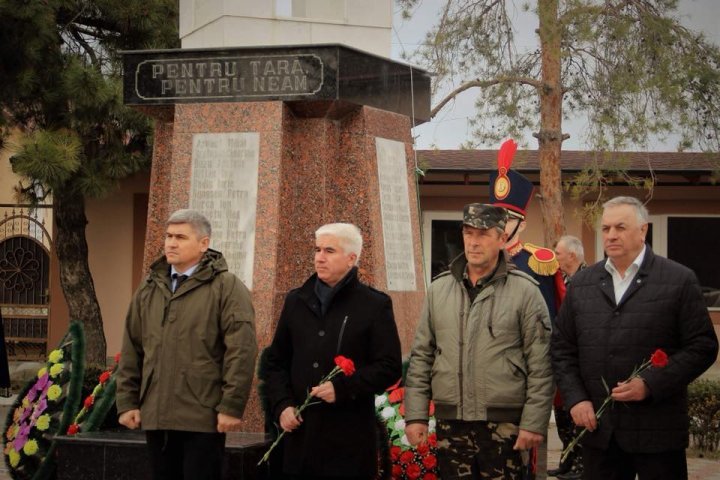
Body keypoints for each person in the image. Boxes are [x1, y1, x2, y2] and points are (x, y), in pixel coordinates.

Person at [551, 196, 719, 480]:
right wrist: (577, 399)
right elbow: (562, 348)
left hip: (658, 434)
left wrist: (651, 383)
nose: (611, 235)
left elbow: (702, 346)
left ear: (643, 230)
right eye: (605, 229)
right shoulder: (582, 284)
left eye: (620, 227)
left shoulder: (678, 279)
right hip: (599, 433)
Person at [404, 203, 554, 479]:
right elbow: (422, 357)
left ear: (501, 238)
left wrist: (533, 423)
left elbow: (541, 365)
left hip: (504, 424)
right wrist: (416, 416)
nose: (473, 242)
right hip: (453, 422)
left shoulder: (525, 292)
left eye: (483, 234)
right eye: (468, 232)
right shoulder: (439, 289)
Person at [115, 209, 257, 480]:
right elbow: (133, 347)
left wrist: (231, 405)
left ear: (204, 244)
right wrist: (127, 402)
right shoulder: (149, 286)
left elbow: (241, 350)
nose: (171, 243)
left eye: (180, 237)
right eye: (168, 236)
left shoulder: (226, 287)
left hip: (202, 415)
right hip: (156, 414)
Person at [263, 223, 402, 479]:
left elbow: (389, 366)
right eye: (317, 250)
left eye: (329, 250)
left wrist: (343, 388)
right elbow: (275, 362)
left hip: (347, 440)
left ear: (351, 258)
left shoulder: (374, 304)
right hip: (300, 439)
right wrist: (282, 405)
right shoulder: (296, 301)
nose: (319, 257)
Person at [489, 139, 564, 479]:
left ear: (521, 223)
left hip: (522, 381)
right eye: (495, 217)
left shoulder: (540, 262)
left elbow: (547, 327)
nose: (499, 225)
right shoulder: (477, 261)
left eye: (507, 218)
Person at [548, 235, 587, 479]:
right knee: (562, 412)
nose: (555, 257)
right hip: (563, 355)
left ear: (572, 256)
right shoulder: (558, 280)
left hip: (582, 357)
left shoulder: (590, 280)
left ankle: (581, 466)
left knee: (578, 416)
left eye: (558, 254)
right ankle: (567, 460)